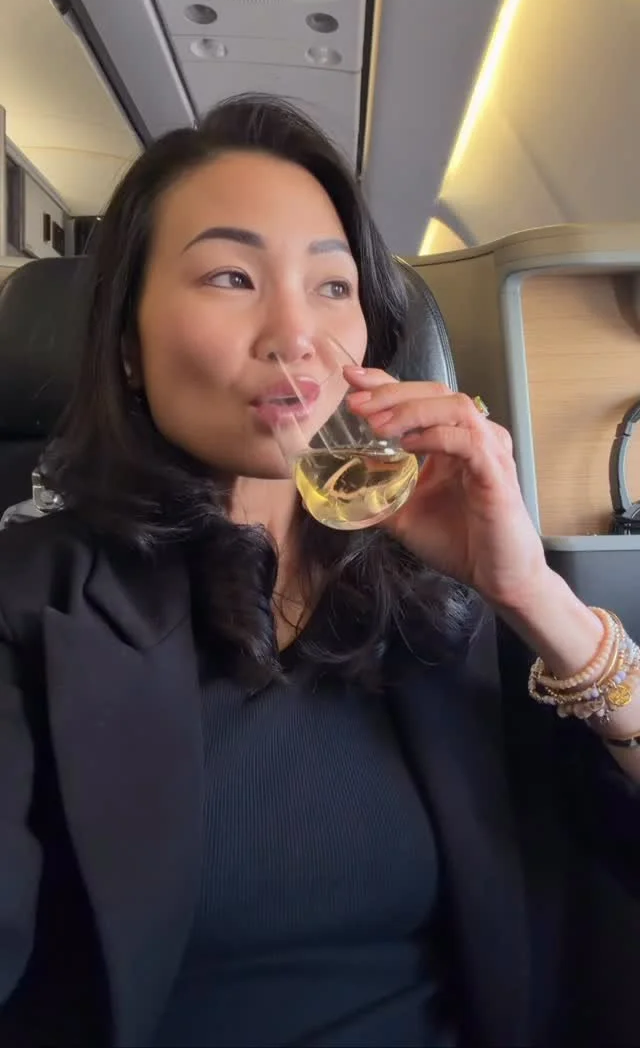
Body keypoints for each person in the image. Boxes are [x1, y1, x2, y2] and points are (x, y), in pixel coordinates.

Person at [0, 95, 638, 1048]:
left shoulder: (449, 604)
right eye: (230, 276)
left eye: (333, 286)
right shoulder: (32, 603)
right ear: (128, 347)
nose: (295, 333)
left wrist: (532, 594)